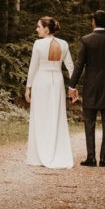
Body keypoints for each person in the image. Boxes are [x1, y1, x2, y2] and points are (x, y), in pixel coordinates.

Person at [68, 10, 105, 167]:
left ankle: (91, 158)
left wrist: (72, 85)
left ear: (93, 21)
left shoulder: (87, 40)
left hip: (91, 86)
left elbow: (79, 65)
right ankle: (104, 159)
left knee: (89, 122)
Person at [25, 16, 75, 168]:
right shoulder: (64, 44)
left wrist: (28, 87)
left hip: (41, 81)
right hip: (57, 81)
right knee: (56, 115)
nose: (37, 29)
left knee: (40, 116)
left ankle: (38, 156)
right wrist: (73, 87)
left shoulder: (38, 44)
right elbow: (71, 67)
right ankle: (56, 151)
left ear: (46, 29)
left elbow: (33, 67)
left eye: (39, 26)